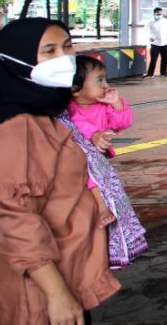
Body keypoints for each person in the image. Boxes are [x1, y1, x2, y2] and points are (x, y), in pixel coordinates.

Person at [0, 18, 119, 324]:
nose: (63, 58)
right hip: (40, 290)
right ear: (17, 59)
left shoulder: (34, 107)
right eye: (49, 51)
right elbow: (15, 213)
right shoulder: (17, 126)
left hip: (55, 267)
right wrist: (57, 295)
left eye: (67, 46)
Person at [66, 54, 148, 268]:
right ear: (75, 89)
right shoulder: (70, 109)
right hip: (79, 157)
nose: (105, 85)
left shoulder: (103, 105)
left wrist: (117, 105)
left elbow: (122, 123)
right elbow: (77, 124)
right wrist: (93, 135)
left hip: (98, 158)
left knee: (98, 180)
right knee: (90, 179)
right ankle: (103, 208)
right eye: (99, 81)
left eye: (105, 79)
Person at [144, 7, 167, 77]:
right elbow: (146, 30)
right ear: (154, 14)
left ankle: (163, 72)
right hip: (155, 44)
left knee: (164, 59)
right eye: (158, 14)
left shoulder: (165, 21)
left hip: (165, 43)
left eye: (160, 14)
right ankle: (150, 74)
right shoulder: (150, 22)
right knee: (153, 59)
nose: (159, 15)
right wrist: (149, 37)